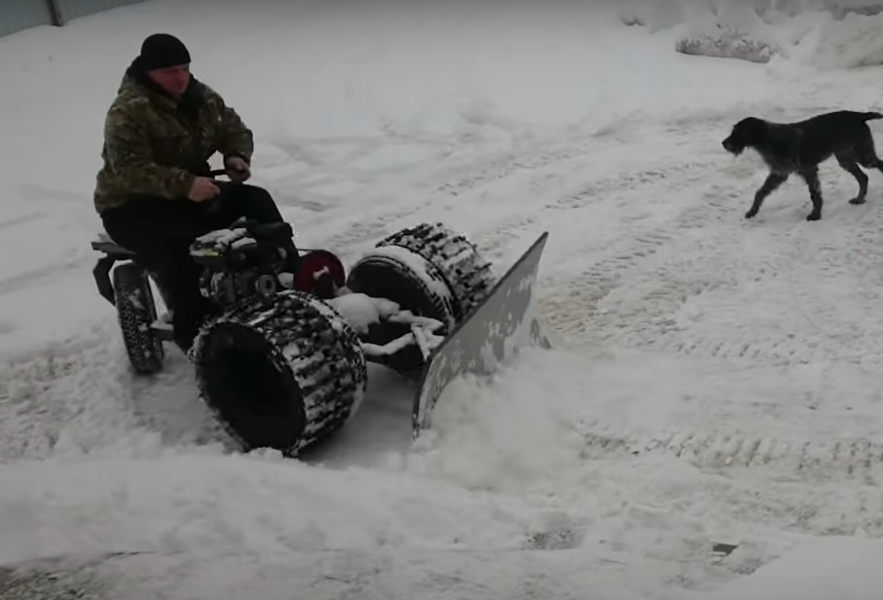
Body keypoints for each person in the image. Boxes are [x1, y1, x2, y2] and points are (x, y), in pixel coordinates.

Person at [93, 33, 301, 355]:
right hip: (132, 205)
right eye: (169, 72)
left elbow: (234, 129)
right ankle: (198, 336)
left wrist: (236, 155)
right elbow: (130, 170)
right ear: (149, 72)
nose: (180, 78)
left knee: (255, 200)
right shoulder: (128, 111)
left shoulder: (200, 98)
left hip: (192, 192)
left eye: (184, 68)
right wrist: (185, 184)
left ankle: (291, 280)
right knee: (184, 248)